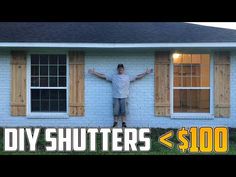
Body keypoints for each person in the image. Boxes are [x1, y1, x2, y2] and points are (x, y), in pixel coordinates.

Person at [88, 64, 153, 128]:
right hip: (115, 96)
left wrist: (145, 73)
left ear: (123, 69)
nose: (120, 70)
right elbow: (103, 76)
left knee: (124, 111)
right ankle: (115, 123)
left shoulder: (127, 77)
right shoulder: (114, 77)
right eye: (119, 69)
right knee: (115, 111)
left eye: (121, 69)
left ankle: (123, 124)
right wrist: (94, 73)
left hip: (124, 96)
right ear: (117, 69)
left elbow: (137, 77)